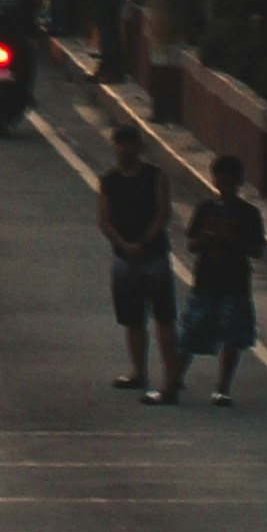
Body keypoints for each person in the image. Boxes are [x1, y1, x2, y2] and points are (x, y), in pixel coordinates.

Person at [174, 152, 267, 403]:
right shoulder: (205, 209)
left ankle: (223, 387)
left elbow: (257, 249)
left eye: (229, 181)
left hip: (235, 283)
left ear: (238, 182)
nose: (224, 186)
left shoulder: (249, 214)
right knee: (189, 333)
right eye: (221, 181)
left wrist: (233, 241)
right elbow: (191, 243)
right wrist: (206, 240)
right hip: (206, 281)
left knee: (232, 337)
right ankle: (174, 380)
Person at [98, 115, 179, 398]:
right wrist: (123, 244)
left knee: (164, 317)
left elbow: (163, 212)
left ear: (138, 148)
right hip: (124, 257)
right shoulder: (109, 181)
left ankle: (171, 377)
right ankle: (139, 371)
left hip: (153, 255)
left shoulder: (154, 176)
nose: (124, 150)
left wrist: (144, 241)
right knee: (133, 319)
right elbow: (104, 219)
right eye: (120, 145)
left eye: (129, 145)